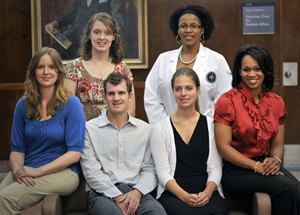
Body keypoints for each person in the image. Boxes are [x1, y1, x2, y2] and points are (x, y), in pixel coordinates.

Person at [214, 44, 300, 215]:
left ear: (265, 71)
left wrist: (276, 160)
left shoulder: (276, 102)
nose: (252, 74)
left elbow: (278, 143)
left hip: (265, 163)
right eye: (246, 69)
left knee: (297, 187)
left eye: (257, 69)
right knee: (288, 188)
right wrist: (256, 167)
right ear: (239, 71)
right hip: (236, 170)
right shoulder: (227, 101)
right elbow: (223, 147)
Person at [0, 47, 86, 214]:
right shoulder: (23, 105)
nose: (46, 72)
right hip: (27, 167)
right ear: (34, 71)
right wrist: (19, 172)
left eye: (52, 67)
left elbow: (74, 154)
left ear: (59, 72)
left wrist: (37, 172)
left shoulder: (71, 104)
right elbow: (17, 150)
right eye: (41, 67)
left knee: (5, 199)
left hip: (64, 173)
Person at [80, 72, 167, 215]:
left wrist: (137, 192)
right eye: (111, 93)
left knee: (158, 213)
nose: (116, 98)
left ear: (130, 96)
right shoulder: (89, 129)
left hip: (138, 192)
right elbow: (91, 171)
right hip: (103, 194)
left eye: (121, 93)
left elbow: (150, 169)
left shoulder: (146, 130)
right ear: (104, 97)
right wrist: (117, 196)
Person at [151, 67, 228, 215]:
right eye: (178, 89)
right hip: (174, 195)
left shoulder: (211, 125)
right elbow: (163, 173)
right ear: (173, 91)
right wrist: (185, 197)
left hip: (207, 193)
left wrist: (207, 193)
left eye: (189, 88)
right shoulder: (160, 128)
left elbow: (215, 168)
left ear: (198, 90)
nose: (183, 93)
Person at [144, 4, 232, 125]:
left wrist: (206, 124)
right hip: (169, 129)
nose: (188, 30)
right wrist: (166, 125)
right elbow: (152, 97)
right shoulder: (163, 59)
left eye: (194, 26)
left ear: (202, 30)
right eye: (183, 26)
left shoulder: (217, 60)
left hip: (207, 129)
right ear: (177, 30)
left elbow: (224, 100)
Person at [64, 12, 135, 121]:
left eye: (107, 33)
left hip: (115, 132)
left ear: (113, 37)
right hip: (83, 132)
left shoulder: (122, 69)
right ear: (89, 35)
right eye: (97, 32)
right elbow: (67, 108)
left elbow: (130, 111)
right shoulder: (74, 67)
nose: (102, 37)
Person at [45, 0, 125, 60]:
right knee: (47, 53)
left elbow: (117, 18)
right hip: (72, 36)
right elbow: (72, 14)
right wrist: (55, 23)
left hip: (90, 41)